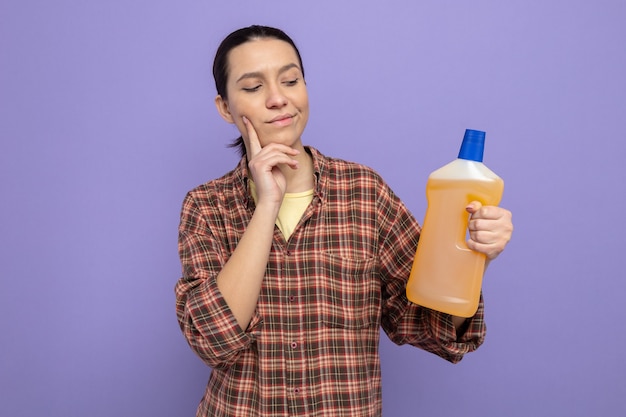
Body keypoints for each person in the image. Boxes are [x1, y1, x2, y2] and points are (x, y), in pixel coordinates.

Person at [175, 25, 513, 417]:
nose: (277, 98)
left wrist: (473, 258)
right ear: (224, 107)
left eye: (290, 80)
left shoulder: (364, 193)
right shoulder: (206, 206)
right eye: (252, 87)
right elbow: (215, 340)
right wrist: (267, 204)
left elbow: (428, 324)